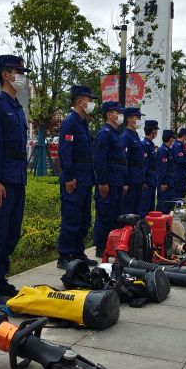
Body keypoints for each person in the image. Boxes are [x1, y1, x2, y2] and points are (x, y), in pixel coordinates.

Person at [0, 55, 31, 304]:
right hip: (1, 181)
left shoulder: (18, 108)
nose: (21, 77)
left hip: (17, 179)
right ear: (5, 74)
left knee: (12, 234)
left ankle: (0, 278)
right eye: (17, 72)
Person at [57, 86, 99, 269]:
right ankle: (64, 255)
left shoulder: (83, 123)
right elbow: (65, 152)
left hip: (85, 179)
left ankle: (77, 252)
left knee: (84, 220)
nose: (92, 103)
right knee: (71, 219)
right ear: (80, 102)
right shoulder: (70, 122)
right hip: (74, 179)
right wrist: (69, 177)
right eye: (89, 100)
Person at [93, 102, 127, 255]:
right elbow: (100, 160)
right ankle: (101, 247)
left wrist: (124, 182)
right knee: (105, 215)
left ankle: (112, 245)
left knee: (115, 215)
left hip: (117, 181)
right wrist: (103, 181)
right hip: (109, 182)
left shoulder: (115, 133)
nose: (119, 115)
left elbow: (121, 161)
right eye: (117, 112)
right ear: (109, 115)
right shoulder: (104, 134)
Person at [121, 108, 144, 215]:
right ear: (129, 119)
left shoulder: (135, 135)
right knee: (128, 210)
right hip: (131, 178)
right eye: (137, 117)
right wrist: (125, 182)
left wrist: (142, 179)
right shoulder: (126, 137)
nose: (140, 120)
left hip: (138, 177)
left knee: (137, 209)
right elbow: (124, 160)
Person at [139, 120, 159, 215]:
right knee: (144, 207)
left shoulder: (150, 145)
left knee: (151, 208)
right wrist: (143, 181)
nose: (157, 132)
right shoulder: (145, 145)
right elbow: (144, 164)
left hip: (152, 180)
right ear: (153, 131)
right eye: (156, 130)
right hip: (147, 181)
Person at [156, 130, 177, 213]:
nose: (173, 140)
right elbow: (162, 168)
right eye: (172, 138)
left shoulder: (168, 150)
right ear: (170, 139)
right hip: (165, 183)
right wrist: (163, 182)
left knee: (169, 205)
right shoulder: (163, 150)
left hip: (170, 181)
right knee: (163, 204)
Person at [172, 128, 186, 199]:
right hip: (179, 174)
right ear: (184, 136)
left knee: (182, 193)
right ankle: (177, 205)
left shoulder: (180, 145)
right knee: (179, 194)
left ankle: (180, 204)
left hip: (181, 174)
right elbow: (179, 160)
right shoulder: (178, 146)